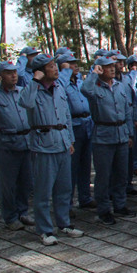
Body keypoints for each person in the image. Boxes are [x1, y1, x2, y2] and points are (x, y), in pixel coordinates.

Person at [19, 53, 82, 245]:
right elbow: (25, 103)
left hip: (62, 143)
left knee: (64, 189)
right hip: (43, 145)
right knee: (43, 191)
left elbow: (66, 115)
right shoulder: (32, 89)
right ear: (40, 71)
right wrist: (34, 81)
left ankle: (64, 224)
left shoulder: (59, 87)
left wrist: (70, 140)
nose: (56, 69)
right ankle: (45, 230)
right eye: (51, 66)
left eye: (55, 65)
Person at [81, 56, 136, 225]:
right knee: (103, 176)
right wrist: (93, 73)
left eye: (113, 66)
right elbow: (85, 90)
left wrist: (130, 134)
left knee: (121, 173)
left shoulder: (120, 86)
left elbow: (127, 110)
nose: (112, 69)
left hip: (121, 133)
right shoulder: (95, 87)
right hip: (103, 136)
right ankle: (104, 209)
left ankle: (120, 204)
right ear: (100, 69)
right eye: (107, 67)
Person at [0, 61, 35, 229]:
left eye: (15, 72)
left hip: (25, 141)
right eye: (9, 73)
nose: (14, 75)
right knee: (8, 184)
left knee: (25, 181)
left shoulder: (22, 91)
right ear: (0, 76)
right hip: (6, 143)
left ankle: (23, 212)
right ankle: (10, 217)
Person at [57, 53, 95, 209]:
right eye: (71, 63)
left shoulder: (80, 82)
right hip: (73, 125)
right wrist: (64, 72)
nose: (75, 66)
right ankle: (67, 204)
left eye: (75, 63)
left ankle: (85, 197)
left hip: (86, 124)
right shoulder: (61, 83)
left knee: (85, 165)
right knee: (71, 168)